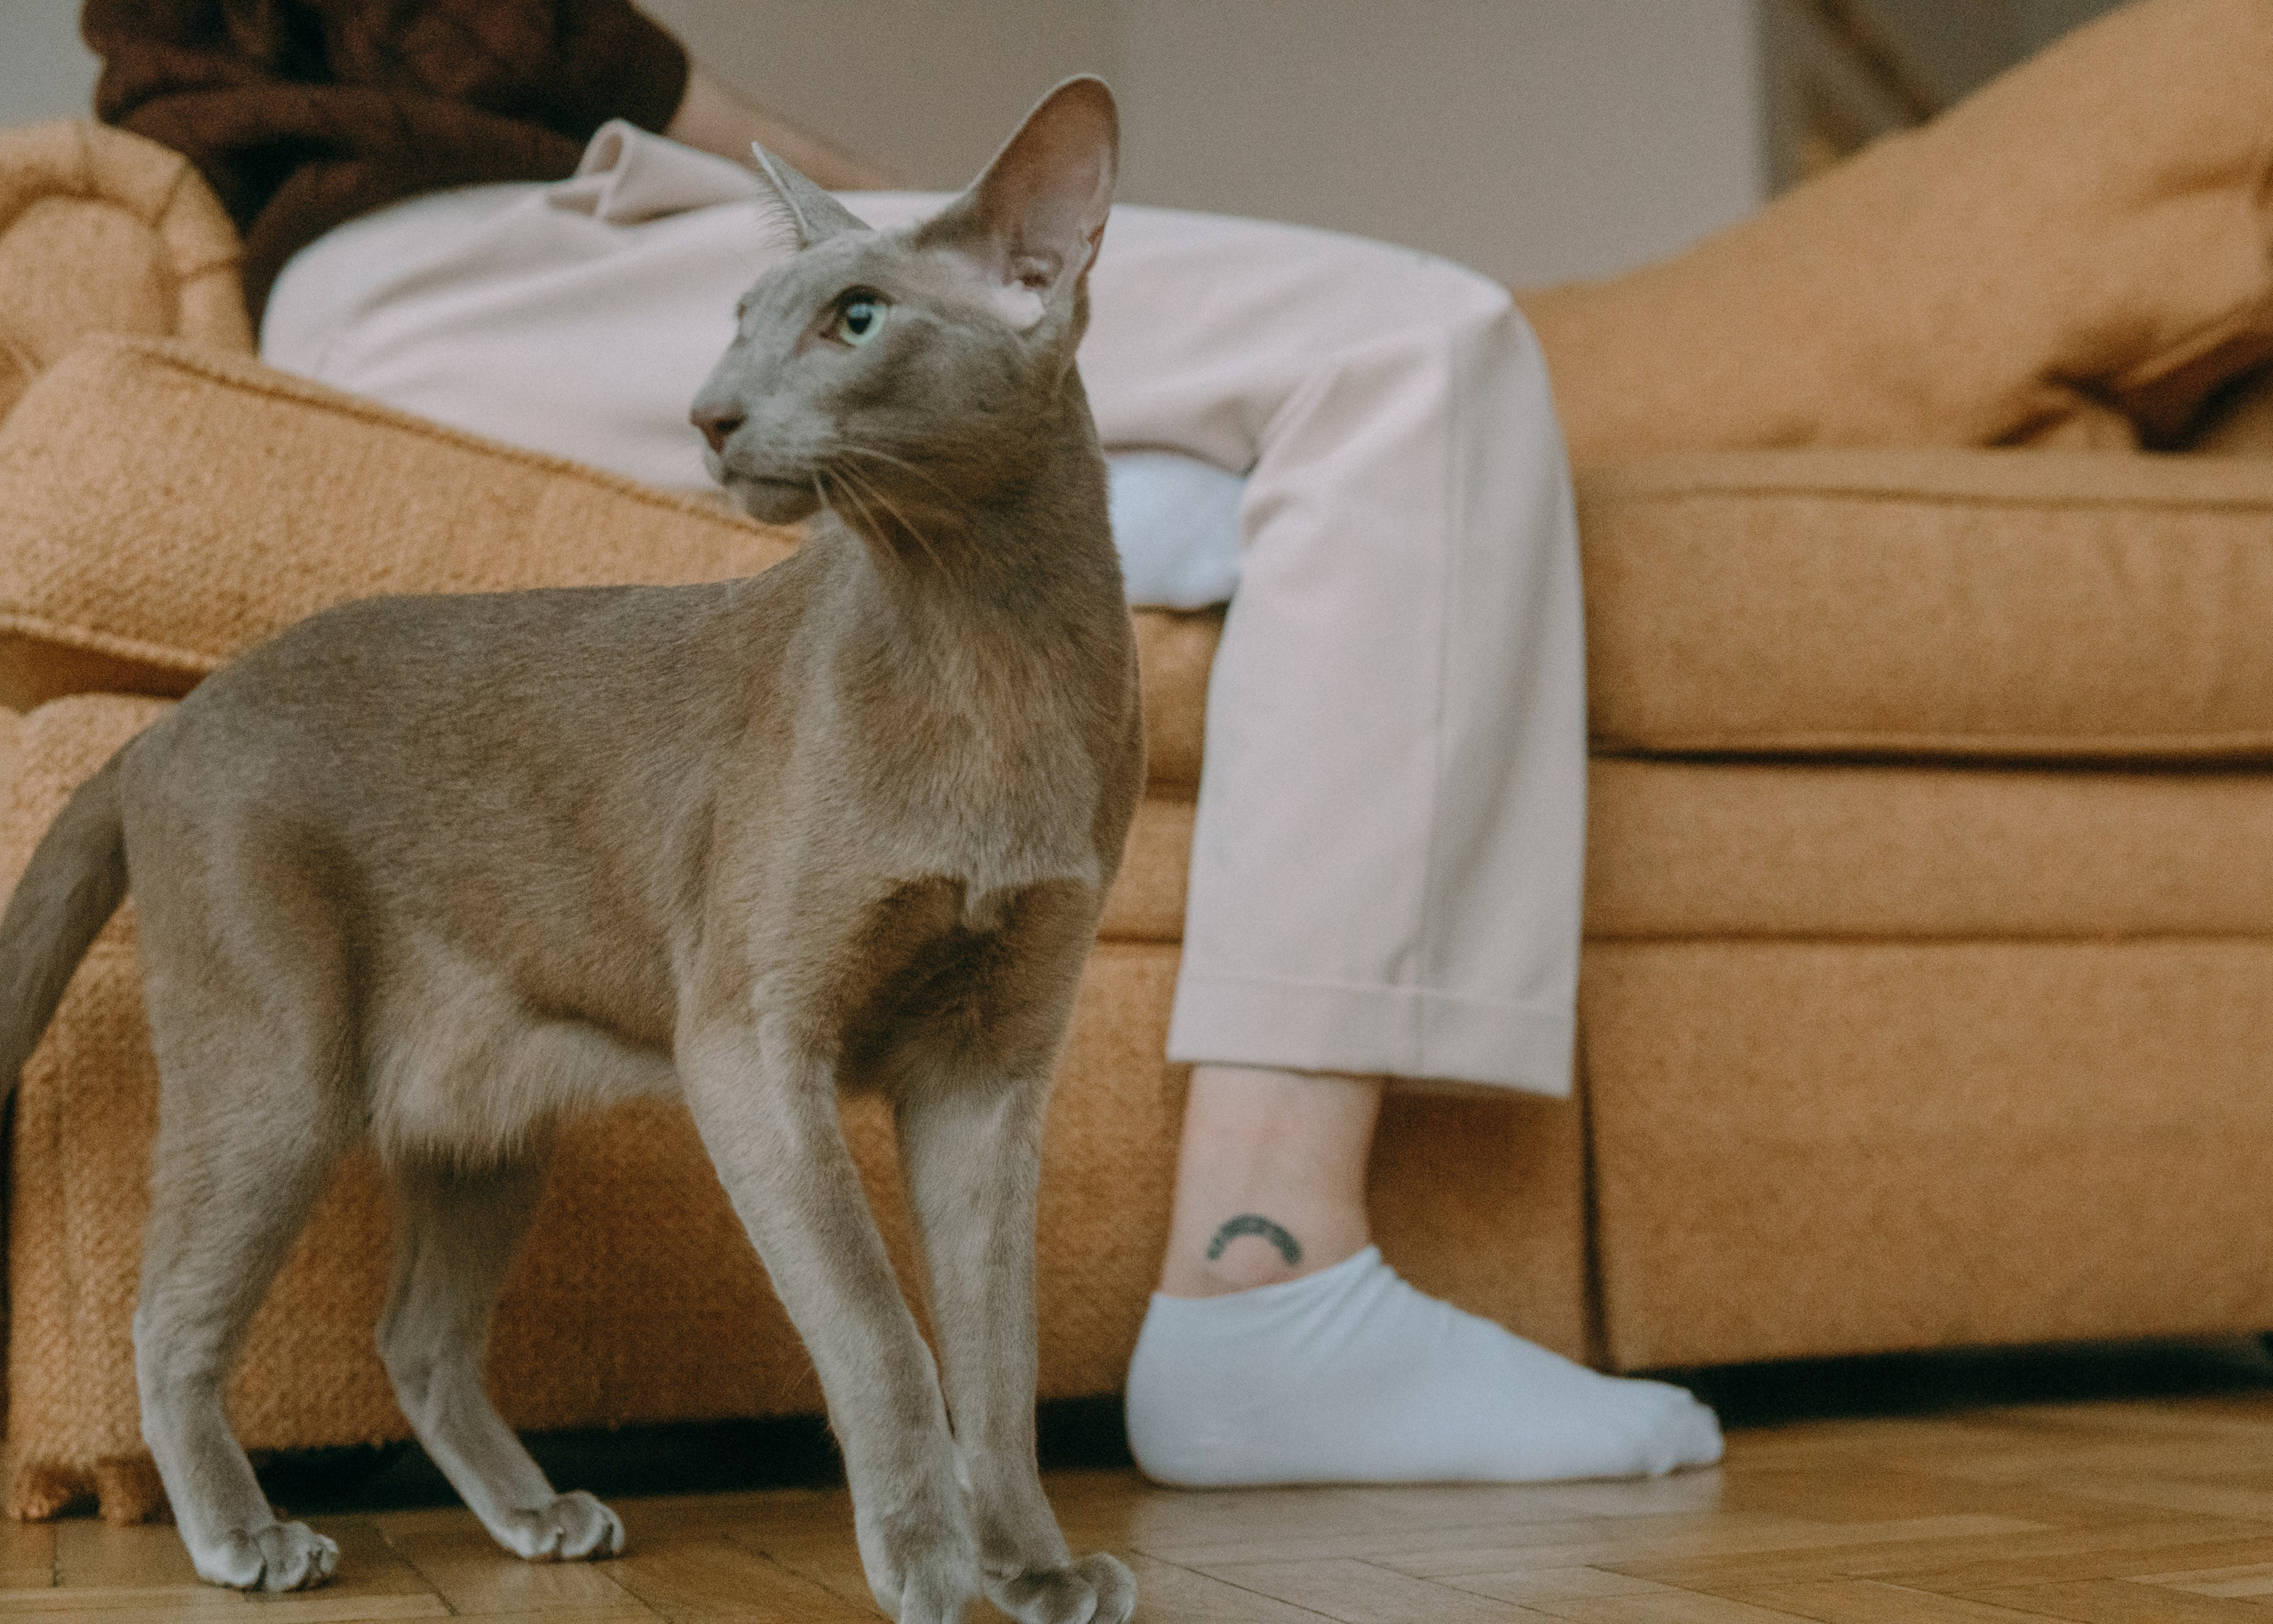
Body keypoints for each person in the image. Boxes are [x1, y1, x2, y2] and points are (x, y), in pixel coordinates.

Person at [84, 0, 1723, 1486]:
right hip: (460, 257)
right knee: (1422, 342)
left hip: (478, 256)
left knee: (1113, 447)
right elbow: (503, 55)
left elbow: (587, 65)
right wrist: (917, 246)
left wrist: (912, 253)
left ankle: (1154, 514)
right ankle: (1267, 1263)